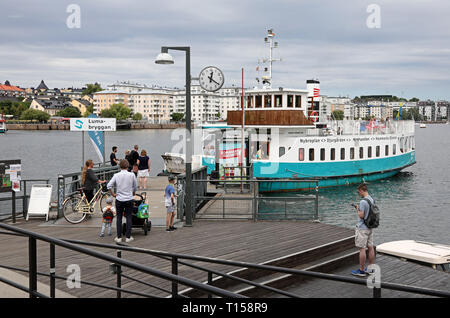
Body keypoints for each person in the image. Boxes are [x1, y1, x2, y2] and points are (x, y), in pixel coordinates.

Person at [107, 159, 138, 243]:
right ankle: (128, 237)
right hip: (129, 198)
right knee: (129, 217)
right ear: (128, 166)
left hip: (119, 199)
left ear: (120, 166)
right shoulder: (132, 175)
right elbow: (135, 187)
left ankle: (119, 237)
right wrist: (133, 193)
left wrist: (113, 194)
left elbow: (109, 185)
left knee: (119, 218)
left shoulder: (116, 175)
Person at [351, 183, 376, 277]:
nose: (359, 194)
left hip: (362, 228)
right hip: (370, 227)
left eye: (359, 192)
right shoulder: (372, 199)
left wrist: (357, 209)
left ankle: (361, 270)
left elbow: (361, 215)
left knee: (362, 249)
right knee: (370, 247)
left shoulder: (363, 202)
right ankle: (371, 269)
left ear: (362, 190)